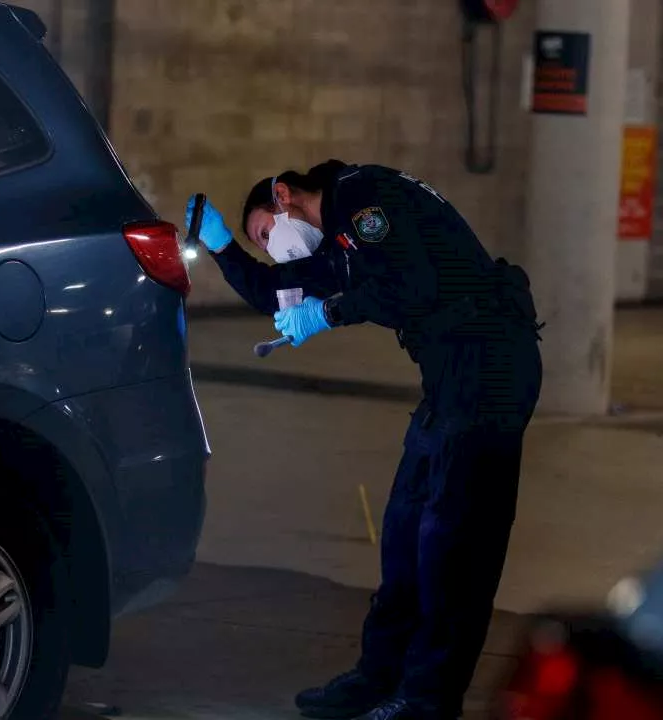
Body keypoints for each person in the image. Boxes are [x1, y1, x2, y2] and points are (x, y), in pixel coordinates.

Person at [186, 160, 543, 720]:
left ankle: (427, 700)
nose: (272, 248)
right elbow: (272, 291)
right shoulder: (340, 246)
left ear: (284, 196)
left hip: (490, 368)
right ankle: (377, 678)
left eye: (264, 233)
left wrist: (328, 312)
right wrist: (223, 246)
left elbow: (412, 286)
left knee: (453, 551)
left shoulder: (361, 197)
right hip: (450, 381)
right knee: (403, 538)